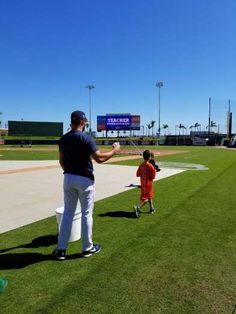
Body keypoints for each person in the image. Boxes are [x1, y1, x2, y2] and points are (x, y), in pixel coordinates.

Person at [52, 110, 120, 260]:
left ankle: (60, 249)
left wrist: (71, 173)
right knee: (86, 213)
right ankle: (87, 248)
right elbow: (100, 158)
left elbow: (61, 161)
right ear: (82, 122)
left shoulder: (63, 139)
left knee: (68, 213)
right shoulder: (86, 138)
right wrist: (115, 150)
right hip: (85, 179)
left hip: (68, 177)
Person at [133, 150, 156, 218]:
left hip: (143, 184)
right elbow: (153, 177)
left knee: (149, 196)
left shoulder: (141, 165)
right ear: (149, 157)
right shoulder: (151, 166)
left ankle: (151, 208)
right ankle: (138, 207)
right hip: (148, 184)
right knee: (145, 199)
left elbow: (137, 174)